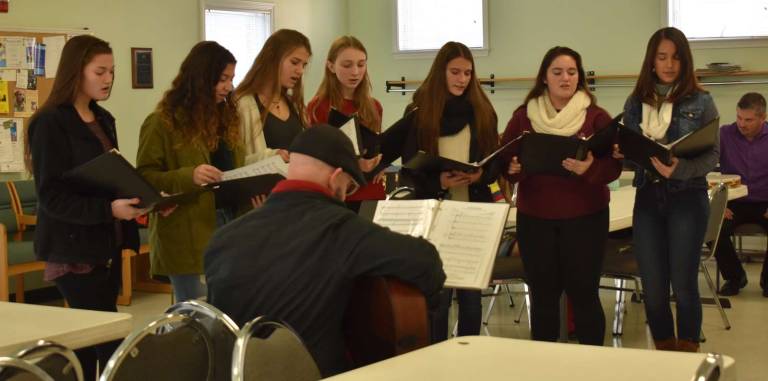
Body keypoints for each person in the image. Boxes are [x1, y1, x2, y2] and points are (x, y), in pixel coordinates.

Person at [205, 125, 445, 377]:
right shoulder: (341, 229)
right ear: (336, 177)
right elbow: (426, 262)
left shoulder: (222, 239)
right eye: (349, 187)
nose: (345, 196)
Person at [27, 35, 143, 379]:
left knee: (90, 345)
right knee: (109, 343)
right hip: (72, 249)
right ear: (76, 72)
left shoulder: (103, 118)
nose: (108, 79)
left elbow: (112, 177)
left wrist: (141, 200)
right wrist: (108, 210)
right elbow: (51, 196)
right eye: (100, 71)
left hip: (105, 245)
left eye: (112, 71)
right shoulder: (50, 122)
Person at [499, 46, 621, 346]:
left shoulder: (595, 117)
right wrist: (513, 168)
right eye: (557, 72)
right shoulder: (523, 117)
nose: (565, 78)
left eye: (571, 72)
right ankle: (546, 368)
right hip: (536, 220)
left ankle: (593, 365)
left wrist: (591, 168)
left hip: (586, 220)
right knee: (542, 298)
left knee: (584, 295)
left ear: (579, 77)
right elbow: (504, 161)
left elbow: (614, 166)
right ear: (544, 78)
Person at [379, 41, 498, 342]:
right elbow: (410, 170)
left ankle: (471, 357)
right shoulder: (419, 112)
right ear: (440, 72)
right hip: (435, 216)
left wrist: (482, 174)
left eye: (468, 73)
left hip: (473, 213)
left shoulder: (483, 111)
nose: (462, 79)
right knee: (438, 300)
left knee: (471, 300)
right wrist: (440, 183)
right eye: (455, 72)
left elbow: (495, 163)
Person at [615, 27, 719, 352]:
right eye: (662, 57)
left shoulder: (701, 101)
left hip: (688, 197)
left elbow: (713, 154)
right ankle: (664, 348)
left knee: (684, 283)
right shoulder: (635, 102)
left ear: (685, 61)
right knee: (654, 287)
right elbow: (632, 152)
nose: (669, 64)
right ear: (652, 61)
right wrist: (623, 154)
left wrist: (682, 169)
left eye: (675, 57)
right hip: (647, 198)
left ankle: (688, 352)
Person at [136, 41, 243, 302]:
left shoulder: (226, 117)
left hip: (229, 221)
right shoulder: (162, 122)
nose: (229, 87)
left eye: (231, 79)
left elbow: (232, 169)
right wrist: (189, 176)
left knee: (227, 306)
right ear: (201, 79)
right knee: (191, 312)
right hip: (187, 229)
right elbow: (144, 177)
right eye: (222, 79)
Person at [307, 35, 386, 209]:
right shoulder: (318, 107)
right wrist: (354, 165)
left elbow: (376, 149)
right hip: (338, 196)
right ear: (331, 66)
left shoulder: (374, 106)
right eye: (347, 65)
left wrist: (380, 163)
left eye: (361, 64)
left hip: (372, 194)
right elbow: (317, 160)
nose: (355, 72)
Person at [715, 92, 768, 297]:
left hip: (764, 201)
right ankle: (735, 277)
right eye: (738, 117)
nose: (741, 124)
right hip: (734, 201)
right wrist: (718, 204)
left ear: (762, 118)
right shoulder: (724, 135)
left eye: (748, 120)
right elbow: (701, 168)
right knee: (713, 227)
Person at [235, 29, 312, 164]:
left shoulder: (294, 105)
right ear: (272, 59)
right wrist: (271, 157)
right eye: (294, 62)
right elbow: (235, 163)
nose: (300, 71)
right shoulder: (244, 104)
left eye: (303, 65)